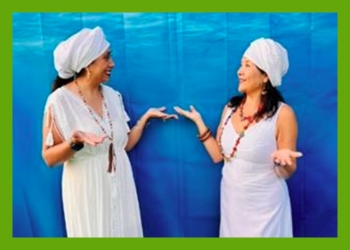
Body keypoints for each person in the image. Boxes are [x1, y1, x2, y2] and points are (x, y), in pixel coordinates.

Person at [42, 26, 177, 237]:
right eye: (106, 58)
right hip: (86, 189)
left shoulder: (113, 96)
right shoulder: (59, 101)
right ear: (88, 64)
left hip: (121, 183)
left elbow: (123, 146)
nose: (112, 63)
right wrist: (75, 142)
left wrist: (144, 119)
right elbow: (49, 158)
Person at [174, 38, 303, 237]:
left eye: (247, 65)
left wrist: (283, 162)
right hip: (232, 206)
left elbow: (287, 171)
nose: (239, 71)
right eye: (241, 64)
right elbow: (219, 156)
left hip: (267, 210)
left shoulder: (283, 114)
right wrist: (199, 123)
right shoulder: (230, 109)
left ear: (265, 76)